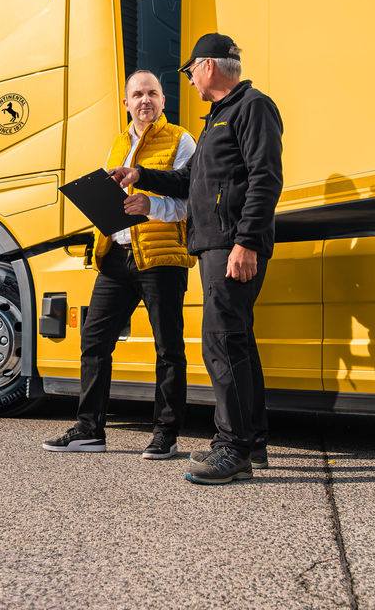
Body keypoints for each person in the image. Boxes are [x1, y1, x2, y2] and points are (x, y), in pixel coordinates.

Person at [110, 33, 283, 485]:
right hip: (215, 244)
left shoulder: (252, 107)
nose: (189, 81)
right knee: (237, 341)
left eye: (189, 73)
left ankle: (232, 448)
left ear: (207, 67)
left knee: (221, 342)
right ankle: (254, 442)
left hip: (232, 245)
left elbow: (266, 178)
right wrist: (140, 174)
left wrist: (245, 242)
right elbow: (190, 182)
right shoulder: (217, 119)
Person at [42, 70, 197, 459]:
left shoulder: (181, 139)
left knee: (168, 349)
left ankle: (166, 433)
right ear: (126, 103)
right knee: (94, 341)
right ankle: (89, 430)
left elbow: (190, 199)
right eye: (138, 94)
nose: (146, 100)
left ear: (163, 101)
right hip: (117, 254)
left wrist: (151, 205)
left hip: (161, 257)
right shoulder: (116, 145)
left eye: (153, 93)